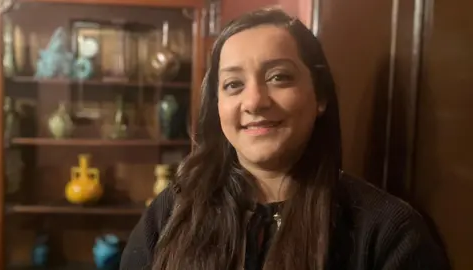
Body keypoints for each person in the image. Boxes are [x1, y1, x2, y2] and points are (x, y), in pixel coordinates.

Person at [120, 7, 450, 270]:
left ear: (319, 95)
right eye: (234, 84)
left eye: (279, 77)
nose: (254, 101)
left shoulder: (388, 232)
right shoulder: (174, 211)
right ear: (217, 105)